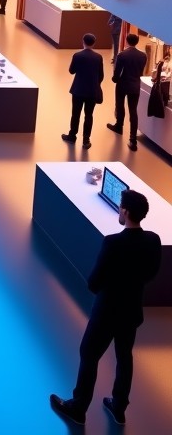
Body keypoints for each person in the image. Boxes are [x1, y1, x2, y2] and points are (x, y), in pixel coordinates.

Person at [49, 188, 162, 427]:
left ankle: (79, 407)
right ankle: (119, 407)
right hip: (131, 310)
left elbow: (94, 282)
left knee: (89, 355)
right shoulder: (153, 240)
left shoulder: (113, 243)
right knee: (124, 357)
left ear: (126, 212)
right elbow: (152, 273)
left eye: (120, 207)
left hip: (107, 312)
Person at [63, 33, 104, 150]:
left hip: (78, 89)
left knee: (75, 114)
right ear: (94, 43)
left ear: (83, 41)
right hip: (92, 91)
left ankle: (72, 136)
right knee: (89, 115)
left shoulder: (77, 55)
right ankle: (86, 140)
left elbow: (71, 71)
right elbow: (101, 75)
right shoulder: (98, 57)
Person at [108, 32, 147, 151]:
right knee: (133, 111)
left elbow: (117, 71)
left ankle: (119, 126)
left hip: (123, 84)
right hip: (135, 85)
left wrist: (115, 79)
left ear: (126, 41)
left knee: (120, 106)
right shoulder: (143, 55)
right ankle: (132, 139)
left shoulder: (122, 55)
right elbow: (141, 71)